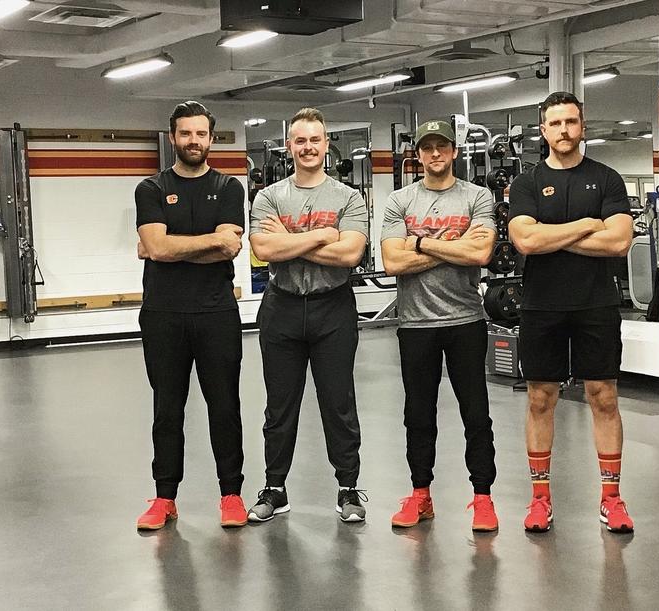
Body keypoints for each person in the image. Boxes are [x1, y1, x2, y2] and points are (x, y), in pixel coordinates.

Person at [508, 91, 635, 534]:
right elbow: (525, 242)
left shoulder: (607, 178)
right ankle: (540, 499)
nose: (564, 130)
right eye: (555, 123)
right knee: (541, 398)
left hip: (596, 302)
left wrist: (550, 235)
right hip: (542, 304)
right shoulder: (526, 184)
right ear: (543, 131)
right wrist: (585, 225)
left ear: (583, 127)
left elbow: (619, 242)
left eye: (571, 122)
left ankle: (612, 499)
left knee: (604, 395)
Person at [246, 107, 370, 523]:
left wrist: (290, 238)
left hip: (332, 308)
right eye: (300, 140)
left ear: (326, 144)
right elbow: (263, 251)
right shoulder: (269, 196)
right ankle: (275, 488)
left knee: (338, 402)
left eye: (315, 139)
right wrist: (322, 234)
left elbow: (350, 254)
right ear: (289, 147)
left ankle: (348, 488)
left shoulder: (349, 197)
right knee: (280, 406)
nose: (308, 147)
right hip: (281, 307)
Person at [380, 119, 500, 532]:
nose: (435, 154)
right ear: (419, 153)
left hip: (466, 320)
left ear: (453, 151)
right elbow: (393, 262)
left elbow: (482, 252)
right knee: (418, 413)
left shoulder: (477, 197)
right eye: (427, 147)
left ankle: (482, 497)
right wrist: (455, 247)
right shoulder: (399, 201)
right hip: (415, 324)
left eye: (442, 147)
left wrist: (419, 242)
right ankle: (420, 494)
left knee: (476, 412)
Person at [133, 101, 248, 530]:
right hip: (163, 314)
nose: (193, 141)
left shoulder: (230, 187)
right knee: (167, 410)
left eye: (201, 134)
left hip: (216, 313)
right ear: (173, 138)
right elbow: (158, 248)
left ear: (211, 139)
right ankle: (165, 498)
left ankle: (231, 494)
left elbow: (229, 246)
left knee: (225, 407)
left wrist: (167, 247)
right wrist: (205, 245)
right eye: (185, 133)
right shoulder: (151, 188)